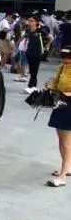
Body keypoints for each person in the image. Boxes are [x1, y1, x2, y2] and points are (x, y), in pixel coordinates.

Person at [45, 46, 71, 187]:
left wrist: (67, 94)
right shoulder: (62, 67)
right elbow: (56, 83)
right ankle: (67, 167)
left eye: (68, 59)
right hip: (60, 104)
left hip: (69, 106)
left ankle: (62, 176)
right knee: (61, 140)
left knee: (66, 143)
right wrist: (51, 86)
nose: (66, 61)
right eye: (64, 59)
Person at [24, 15, 53, 93]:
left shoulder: (40, 30)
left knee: (34, 70)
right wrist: (25, 48)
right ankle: (34, 87)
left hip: (37, 53)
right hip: (29, 52)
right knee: (32, 71)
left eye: (32, 21)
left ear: (36, 22)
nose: (30, 22)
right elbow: (26, 40)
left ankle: (30, 86)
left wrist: (46, 46)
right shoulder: (28, 30)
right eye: (29, 20)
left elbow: (51, 38)